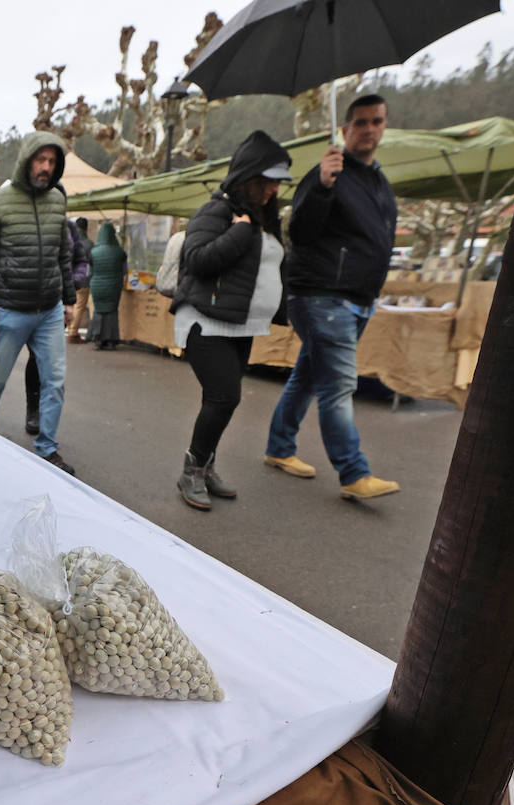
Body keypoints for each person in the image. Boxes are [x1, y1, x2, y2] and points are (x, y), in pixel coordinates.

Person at [264, 94, 400, 500]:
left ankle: (279, 447)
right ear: (344, 129)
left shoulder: (379, 182)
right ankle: (353, 472)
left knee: (307, 377)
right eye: (361, 122)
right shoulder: (328, 173)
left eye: (376, 121)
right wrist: (321, 186)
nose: (370, 129)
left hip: (358, 298)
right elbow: (300, 232)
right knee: (337, 385)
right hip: (323, 297)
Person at [170, 130, 293, 510]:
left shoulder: (262, 218)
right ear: (249, 177)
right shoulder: (219, 211)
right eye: (268, 181)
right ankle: (191, 470)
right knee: (225, 396)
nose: (274, 189)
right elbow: (198, 260)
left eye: (277, 182)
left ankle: (205, 466)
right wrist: (240, 231)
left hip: (241, 324)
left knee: (221, 400)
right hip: (205, 323)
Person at [0, 131, 77, 475]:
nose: (46, 167)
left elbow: (63, 254)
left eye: (52, 162)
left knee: (55, 380)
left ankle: (47, 449)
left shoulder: (57, 200)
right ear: (27, 160)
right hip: (10, 309)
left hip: (50, 311)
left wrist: (68, 300)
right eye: (40, 160)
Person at [21, 211, 90, 434]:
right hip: (30, 302)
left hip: (57, 304)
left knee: (50, 362)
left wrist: (71, 287)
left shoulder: (68, 229)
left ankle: (45, 419)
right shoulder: (28, 226)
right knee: (35, 357)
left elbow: (81, 263)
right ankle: (33, 410)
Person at [87, 221, 127, 351]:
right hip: (113, 285)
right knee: (111, 311)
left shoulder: (93, 252)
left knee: (98, 311)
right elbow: (125, 271)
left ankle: (98, 339)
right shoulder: (119, 252)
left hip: (97, 286)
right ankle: (111, 340)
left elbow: (89, 272)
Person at [67, 217, 96, 342]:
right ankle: (73, 332)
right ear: (86, 228)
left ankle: (70, 329)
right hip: (83, 279)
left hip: (69, 278)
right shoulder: (89, 244)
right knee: (80, 306)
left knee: (70, 304)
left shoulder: (69, 241)